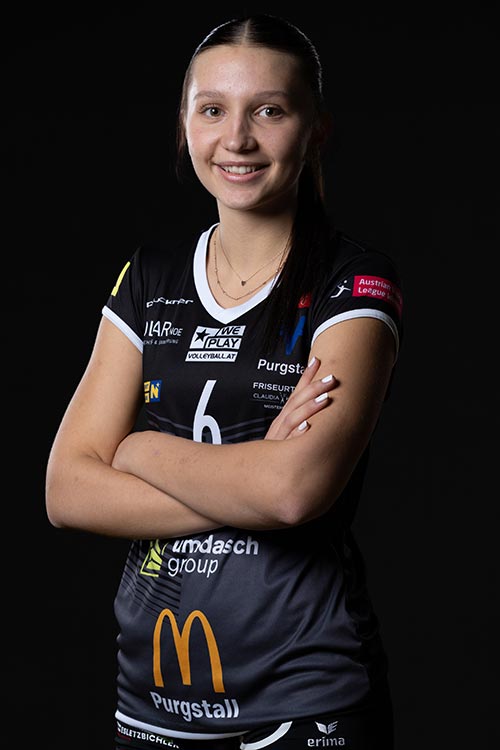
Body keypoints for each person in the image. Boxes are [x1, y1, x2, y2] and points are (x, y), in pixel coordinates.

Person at [45, 13, 403, 750]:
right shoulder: (150, 277)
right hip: (150, 701)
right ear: (184, 126)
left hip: (306, 701)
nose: (236, 138)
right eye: (212, 110)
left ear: (316, 130)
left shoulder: (353, 280)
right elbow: (67, 491)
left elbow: (293, 491)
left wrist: (138, 450)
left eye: (269, 110)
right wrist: (250, 478)